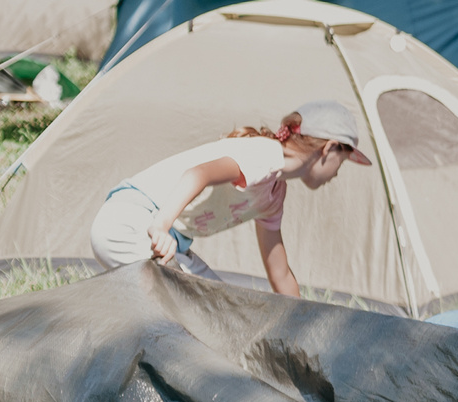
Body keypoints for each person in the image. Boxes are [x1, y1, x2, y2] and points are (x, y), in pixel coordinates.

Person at [88, 101, 373, 298]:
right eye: (344, 160)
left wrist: (305, 324)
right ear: (330, 149)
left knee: (220, 307)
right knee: (199, 312)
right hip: (131, 222)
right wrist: (161, 225)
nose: (337, 174)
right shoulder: (264, 155)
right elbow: (198, 174)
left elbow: (280, 274)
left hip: (169, 243)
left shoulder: (274, 192)